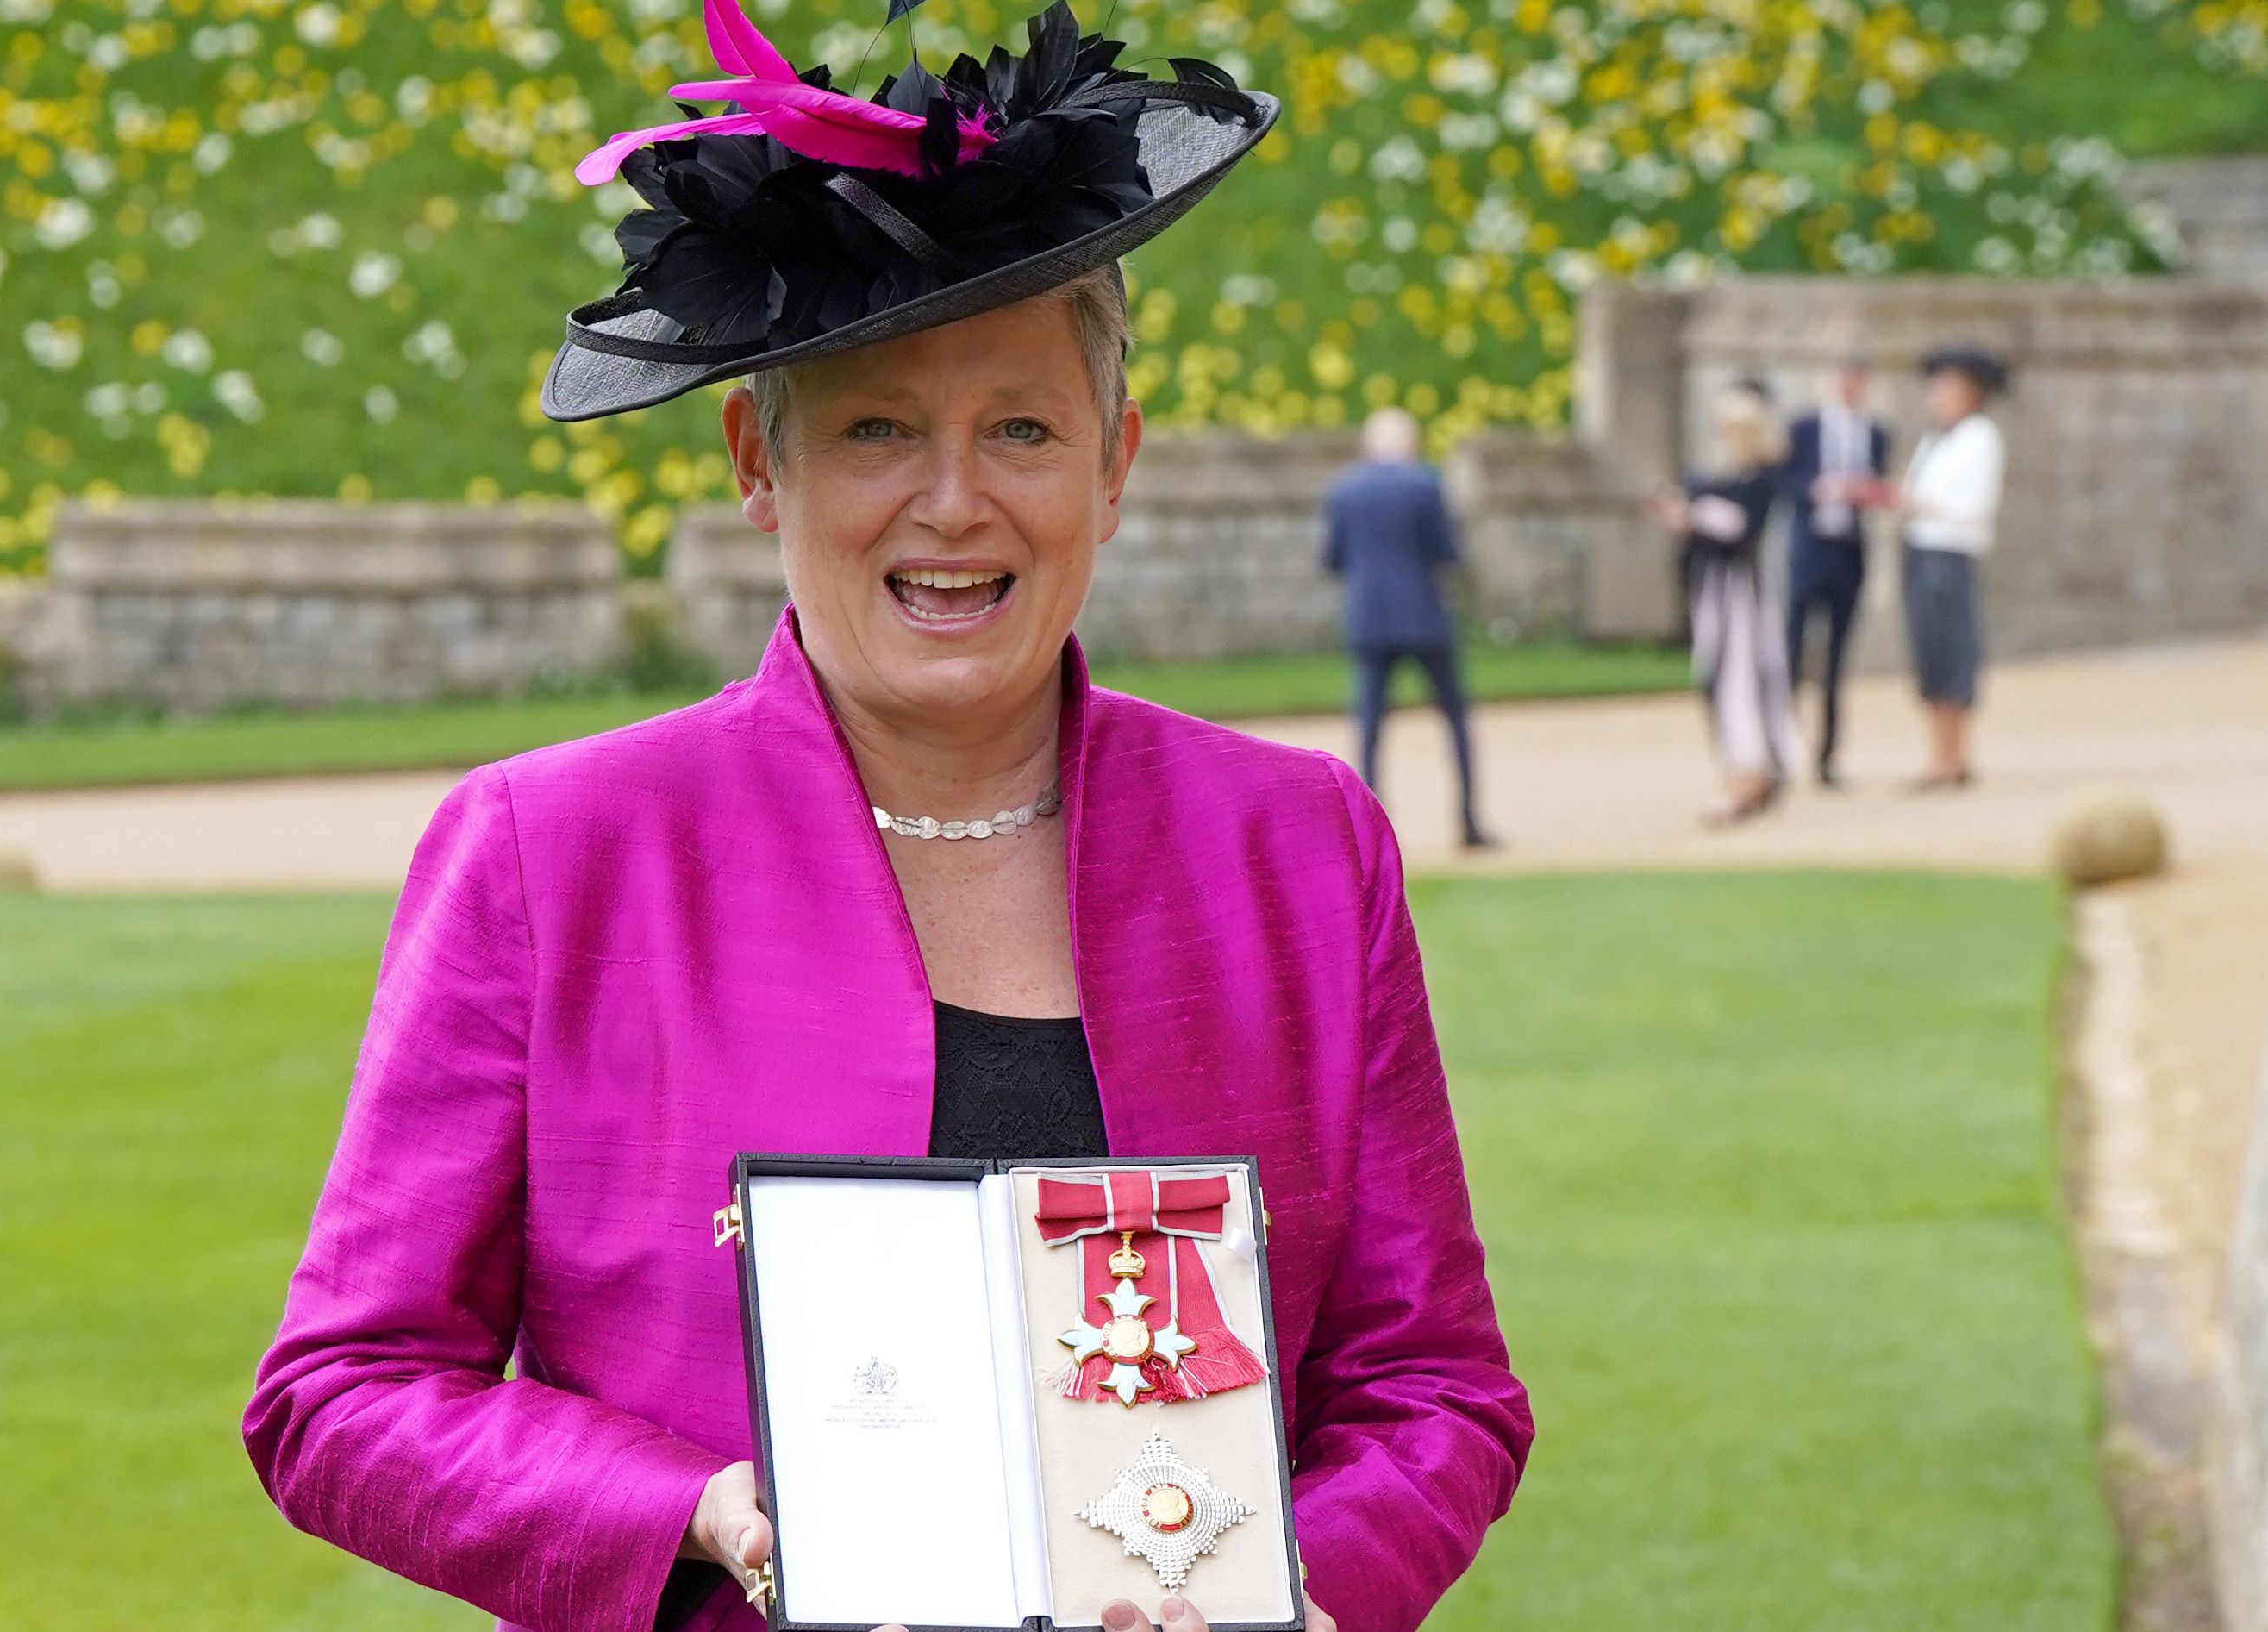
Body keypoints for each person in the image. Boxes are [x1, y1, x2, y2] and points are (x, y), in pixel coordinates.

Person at [242, 6, 1533, 1632]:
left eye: (1022, 429)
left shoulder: (1299, 844)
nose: (953, 501)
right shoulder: (549, 852)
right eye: (876, 429)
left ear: (1113, 465)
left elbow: (1432, 1390)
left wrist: (1293, 1594)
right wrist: (691, 1507)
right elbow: (342, 1391)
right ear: (755, 462)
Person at [1322, 408, 1492, 848]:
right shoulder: (1424, 485)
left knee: (1370, 726)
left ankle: (1365, 833)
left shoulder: (1345, 490)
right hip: (1423, 617)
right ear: (1410, 445)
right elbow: (1447, 552)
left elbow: (1333, 560)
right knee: (1455, 718)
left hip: (1370, 618)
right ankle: (1469, 820)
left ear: (1368, 446)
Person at [1646, 382, 1803, 824]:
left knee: (1742, 682)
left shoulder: (1760, 483)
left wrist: (1692, 516)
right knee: (1718, 679)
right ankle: (1743, 771)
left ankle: (1749, 776)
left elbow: (1739, 531)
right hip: (1715, 593)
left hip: (1742, 597)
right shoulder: (1725, 481)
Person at [1876, 346, 2008, 790]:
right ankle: (1941, 753)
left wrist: (1916, 502)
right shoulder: (1936, 440)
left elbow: (1972, 505)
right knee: (1929, 650)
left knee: (1952, 648)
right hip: (1921, 547)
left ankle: (1953, 755)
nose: (1936, 397)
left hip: (1950, 551)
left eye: (1944, 389)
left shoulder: (1981, 439)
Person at [1778, 353, 1890, 787]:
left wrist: (1862, 492)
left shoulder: (1876, 434)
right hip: (1809, 550)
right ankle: (1780, 749)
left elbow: (1878, 485)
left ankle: (1826, 756)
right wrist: (1816, 489)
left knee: (1836, 658)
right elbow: (1784, 481)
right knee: (1792, 651)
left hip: (1848, 552)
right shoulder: (1804, 428)